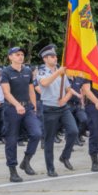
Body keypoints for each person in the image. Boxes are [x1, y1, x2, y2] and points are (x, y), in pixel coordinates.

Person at [0, 47, 43, 182]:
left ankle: (26, 161)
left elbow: (31, 90)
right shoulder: (6, 72)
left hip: (28, 107)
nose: (20, 56)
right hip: (12, 109)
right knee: (11, 140)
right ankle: (12, 170)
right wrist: (17, 105)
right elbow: (6, 92)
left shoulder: (27, 71)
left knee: (36, 133)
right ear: (10, 57)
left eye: (22, 54)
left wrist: (34, 106)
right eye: (17, 54)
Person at [36, 44, 78, 176]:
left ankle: (65, 156)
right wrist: (58, 73)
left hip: (63, 108)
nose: (55, 58)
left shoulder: (61, 71)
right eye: (52, 56)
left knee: (73, 131)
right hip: (49, 108)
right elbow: (44, 83)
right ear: (45, 59)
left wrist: (65, 99)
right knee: (49, 140)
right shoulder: (42, 72)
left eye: (55, 56)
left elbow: (69, 90)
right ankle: (50, 168)